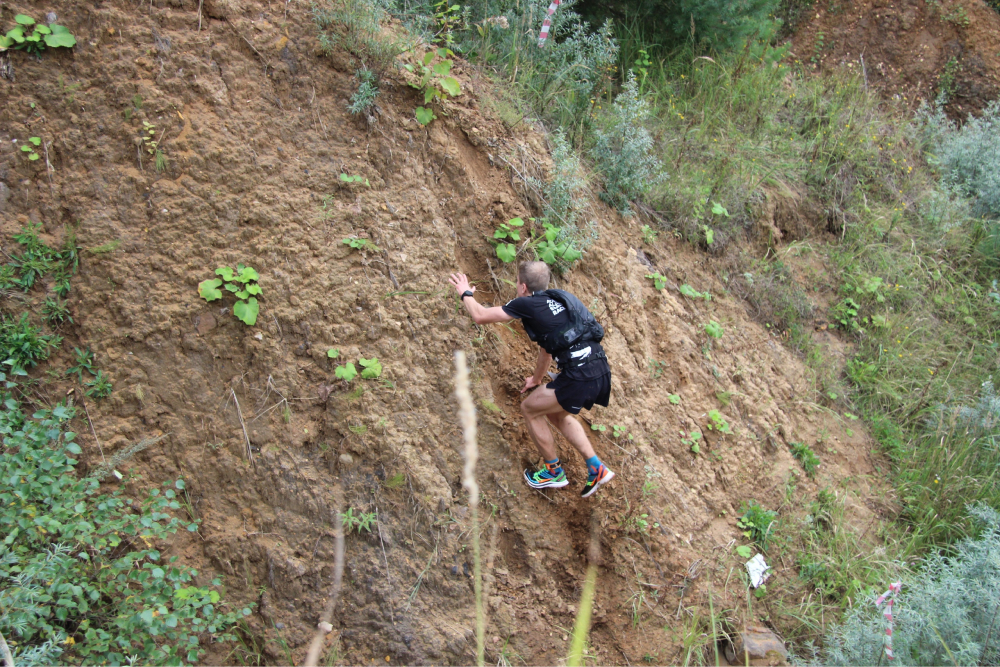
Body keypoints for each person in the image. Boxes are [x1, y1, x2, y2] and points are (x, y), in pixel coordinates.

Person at [449, 261, 615, 498]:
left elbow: (480, 315)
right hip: (599, 368)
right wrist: (537, 379)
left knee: (529, 408)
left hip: (578, 374)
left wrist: (465, 293)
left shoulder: (526, 303)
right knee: (557, 414)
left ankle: (553, 472)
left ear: (523, 286)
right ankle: (597, 468)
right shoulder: (560, 299)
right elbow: (547, 349)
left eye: (517, 283)